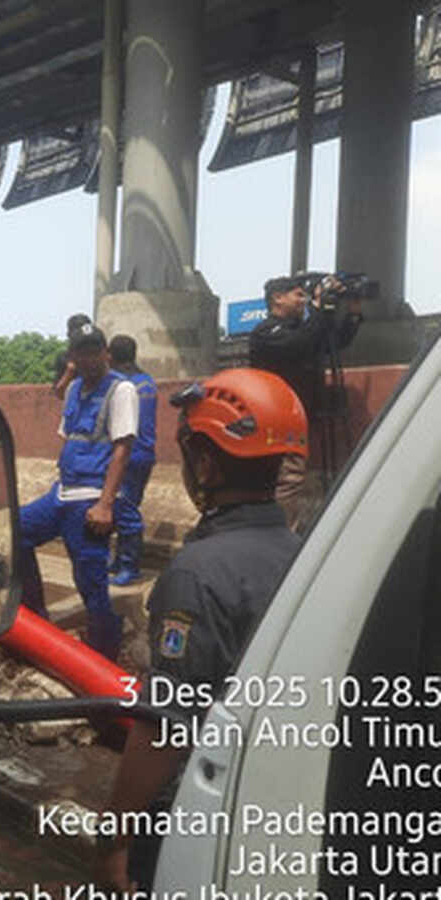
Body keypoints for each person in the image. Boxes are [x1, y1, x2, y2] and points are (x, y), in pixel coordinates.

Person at [97, 368, 307, 892]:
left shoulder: (198, 573)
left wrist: (115, 833)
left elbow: (167, 724)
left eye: (189, 453)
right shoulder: (306, 553)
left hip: (197, 807)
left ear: (206, 464)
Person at [20, 323, 138, 660]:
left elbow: (123, 448)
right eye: (81, 352)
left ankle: (104, 654)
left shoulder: (121, 390)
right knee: (14, 532)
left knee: (90, 583)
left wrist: (105, 504)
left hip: (90, 496)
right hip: (63, 491)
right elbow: (69, 438)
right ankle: (37, 619)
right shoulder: (72, 390)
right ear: (72, 357)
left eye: (94, 351)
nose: (88, 359)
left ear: (106, 354)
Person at [248, 275, 362, 530]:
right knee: (287, 480)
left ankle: (286, 531)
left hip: (301, 417)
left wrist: (353, 312)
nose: (304, 301)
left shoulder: (303, 331)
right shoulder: (267, 332)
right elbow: (300, 343)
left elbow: (335, 342)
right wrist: (320, 307)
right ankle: (279, 537)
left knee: (292, 480)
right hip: (276, 420)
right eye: (298, 295)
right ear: (277, 298)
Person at [106, 336, 157, 586]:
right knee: (123, 507)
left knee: (125, 511)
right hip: (144, 454)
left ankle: (130, 566)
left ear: (111, 357)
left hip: (129, 455)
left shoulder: (122, 386)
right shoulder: (147, 382)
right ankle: (119, 560)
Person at [51, 313, 93, 398]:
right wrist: (70, 371)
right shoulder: (64, 358)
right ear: (69, 334)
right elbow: (59, 393)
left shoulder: (99, 357)